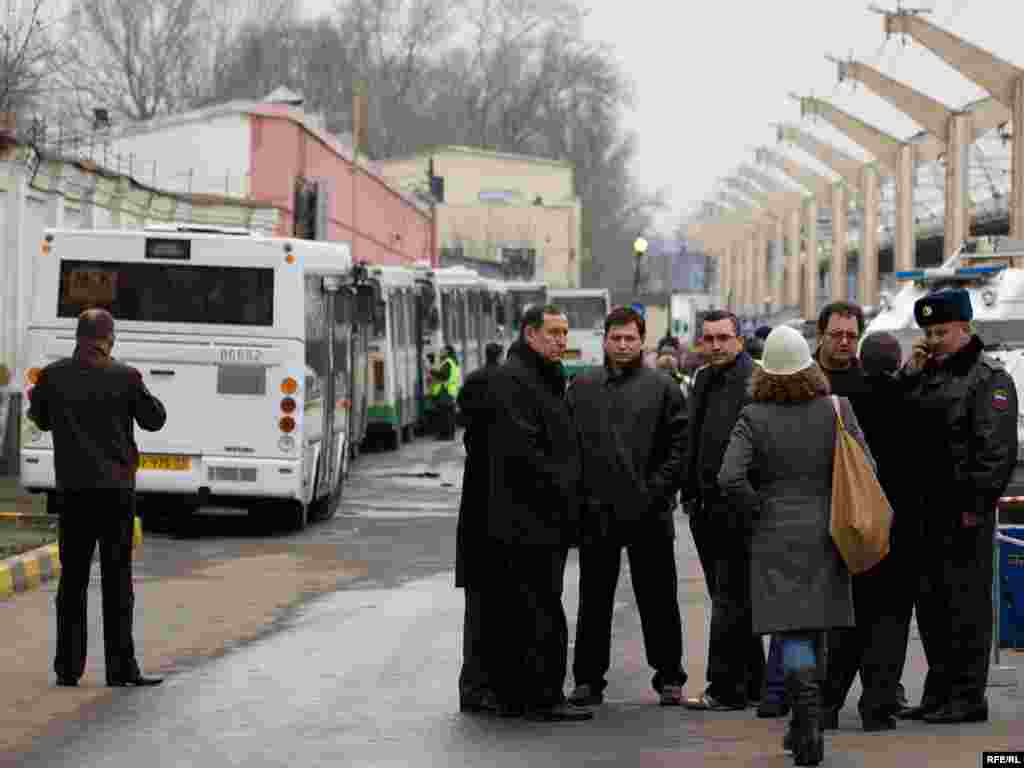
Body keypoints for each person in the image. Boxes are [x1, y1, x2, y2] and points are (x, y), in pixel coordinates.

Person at [719, 325, 867, 766]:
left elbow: (729, 477)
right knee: (817, 623)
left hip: (774, 532)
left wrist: (757, 506)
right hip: (828, 530)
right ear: (810, 367)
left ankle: (802, 710)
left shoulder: (753, 416)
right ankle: (811, 713)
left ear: (765, 372)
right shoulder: (837, 408)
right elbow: (866, 467)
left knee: (791, 627)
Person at [27, 309, 167, 688]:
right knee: (117, 581)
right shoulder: (126, 376)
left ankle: (67, 669)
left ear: (78, 337)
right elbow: (155, 419)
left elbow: (40, 419)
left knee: (72, 580)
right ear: (110, 339)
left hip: (73, 492)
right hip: (116, 494)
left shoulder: (52, 376)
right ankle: (121, 669)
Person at [897, 288, 1017, 724]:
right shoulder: (927, 374)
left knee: (964, 607)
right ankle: (939, 692)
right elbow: (900, 422)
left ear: (965, 328)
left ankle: (967, 696)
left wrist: (975, 505)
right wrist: (908, 374)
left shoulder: (988, 378)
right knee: (932, 609)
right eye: (928, 332)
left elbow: (996, 452)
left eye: (941, 332)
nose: (933, 340)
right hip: (924, 511)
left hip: (963, 513)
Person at [566, 306, 688, 707]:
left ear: (641, 341)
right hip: (597, 510)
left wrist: (656, 491)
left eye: (629, 338)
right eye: (615, 338)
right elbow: (569, 447)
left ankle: (669, 677)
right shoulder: (582, 387)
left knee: (658, 598)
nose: (622, 345)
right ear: (604, 340)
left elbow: (679, 448)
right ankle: (588, 679)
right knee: (594, 600)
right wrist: (581, 496)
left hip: (648, 511)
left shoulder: (663, 388)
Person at [483, 306, 591, 721]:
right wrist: (563, 487)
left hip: (544, 518)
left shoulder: (546, 375)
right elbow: (525, 452)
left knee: (537, 606)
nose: (562, 340)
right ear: (530, 334)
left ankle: (526, 694)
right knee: (537, 608)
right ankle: (540, 696)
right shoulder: (515, 379)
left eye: (565, 332)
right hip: (529, 519)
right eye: (553, 332)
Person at [821, 331, 914, 730]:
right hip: (900, 526)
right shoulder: (914, 399)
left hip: (857, 521)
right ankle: (878, 707)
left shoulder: (846, 402)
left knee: (849, 620)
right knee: (890, 622)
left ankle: (828, 704)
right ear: (897, 361)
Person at [682, 310, 765, 711]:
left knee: (730, 600)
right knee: (730, 598)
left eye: (723, 338)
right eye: (709, 338)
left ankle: (726, 687)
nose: (715, 346)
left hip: (737, 507)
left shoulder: (755, 380)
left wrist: (749, 499)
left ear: (739, 340)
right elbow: (695, 436)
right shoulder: (702, 378)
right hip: (705, 506)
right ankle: (753, 683)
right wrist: (689, 491)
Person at [453, 341, 505, 714]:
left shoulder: (477, 446)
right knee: (491, 613)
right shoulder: (495, 452)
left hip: (476, 542)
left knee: (478, 615)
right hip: (494, 540)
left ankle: (474, 686)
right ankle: (485, 686)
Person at [429, 345, 461, 440]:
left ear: (447, 352)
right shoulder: (453, 361)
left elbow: (443, 376)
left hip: (445, 391)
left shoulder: (447, 362)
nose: (441, 352)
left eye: (442, 350)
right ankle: (449, 434)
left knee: (444, 414)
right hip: (451, 391)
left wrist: (431, 371)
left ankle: (445, 435)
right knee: (449, 414)